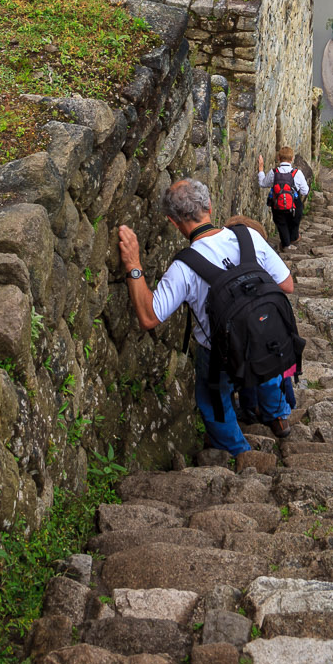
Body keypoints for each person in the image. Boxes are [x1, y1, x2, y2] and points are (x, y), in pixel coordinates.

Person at [118, 179, 298, 468]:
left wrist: (133, 265)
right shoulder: (248, 237)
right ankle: (278, 416)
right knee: (268, 359)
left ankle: (243, 455)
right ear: (210, 207)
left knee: (214, 398)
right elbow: (286, 284)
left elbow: (149, 317)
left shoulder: (184, 267)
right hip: (264, 335)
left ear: (173, 222)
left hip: (219, 352)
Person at [258, 145, 309, 250]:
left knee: (281, 223)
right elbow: (305, 191)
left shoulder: (274, 172)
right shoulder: (297, 173)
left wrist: (261, 169)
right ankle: (294, 238)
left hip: (277, 204)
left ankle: (285, 244)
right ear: (292, 159)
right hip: (294, 203)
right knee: (294, 221)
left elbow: (263, 183)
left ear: (278, 158)